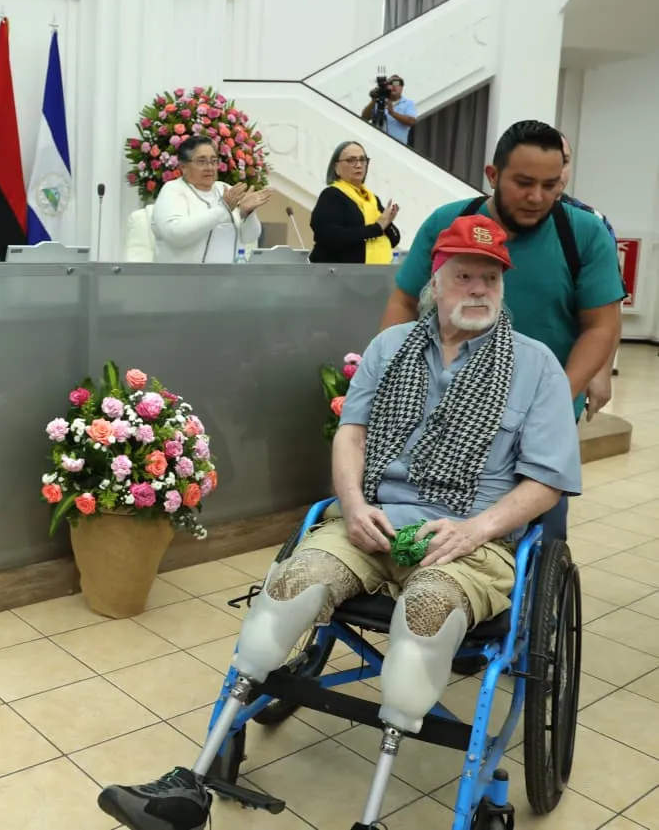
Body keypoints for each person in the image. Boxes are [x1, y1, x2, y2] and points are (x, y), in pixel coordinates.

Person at [96, 214, 582, 830]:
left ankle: (370, 816)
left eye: (491, 277)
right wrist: (351, 504)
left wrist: (477, 529)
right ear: (436, 281)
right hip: (370, 522)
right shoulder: (390, 348)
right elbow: (351, 433)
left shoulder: (535, 366)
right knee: (286, 593)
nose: (480, 289)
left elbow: (547, 480)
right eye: (465, 276)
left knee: (426, 619)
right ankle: (189, 786)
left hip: (467, 540)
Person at [379, 120, 624, 544]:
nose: (537, 197)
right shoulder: (449, 223)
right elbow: (404, 303)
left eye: (550, 185)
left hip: (538, 410)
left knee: (537, 526)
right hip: (444, 402)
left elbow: (601, 325)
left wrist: (554, 398)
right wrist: (396, 374)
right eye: (524, 183)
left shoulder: (583, 234)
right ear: (492, 175)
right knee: (427, 509)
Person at [559, 131, 621, 397]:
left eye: (564, 161)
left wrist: (602, 370)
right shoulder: (485, 218)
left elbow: (609, 304)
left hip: (569, 363)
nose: (557, 171)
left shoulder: (593, 223)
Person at [150, 135, 271, 263]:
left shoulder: (225, 189)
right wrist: (222, 209)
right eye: (201, 161)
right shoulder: (173, 190)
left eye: (214, 161)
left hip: (230, 274)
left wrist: (248, 214)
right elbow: (175, 235)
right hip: (184, 274)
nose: (209, 167)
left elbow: (249, 237)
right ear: (183, 167)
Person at [309, 140, 401, 264]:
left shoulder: (371, 199)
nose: (358, 165)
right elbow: (329, 236)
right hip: (339, 272)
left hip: (376, 272)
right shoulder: (332, 195)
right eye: (351, 160)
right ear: (336, 168)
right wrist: (376, 228)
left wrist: (387, 223)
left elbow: (395, 239)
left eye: (362, 160)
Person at [361, 74, 417, 146]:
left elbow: (412, 121)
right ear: (386, 87)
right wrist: (374, 99)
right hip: (378, 145)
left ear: (402, 87)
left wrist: (392, 113)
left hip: (398, 147)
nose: (394, 86)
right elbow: (364, 117)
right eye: (390, 83)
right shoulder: (379, 101)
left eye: (397, 83)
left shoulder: (408, 103)